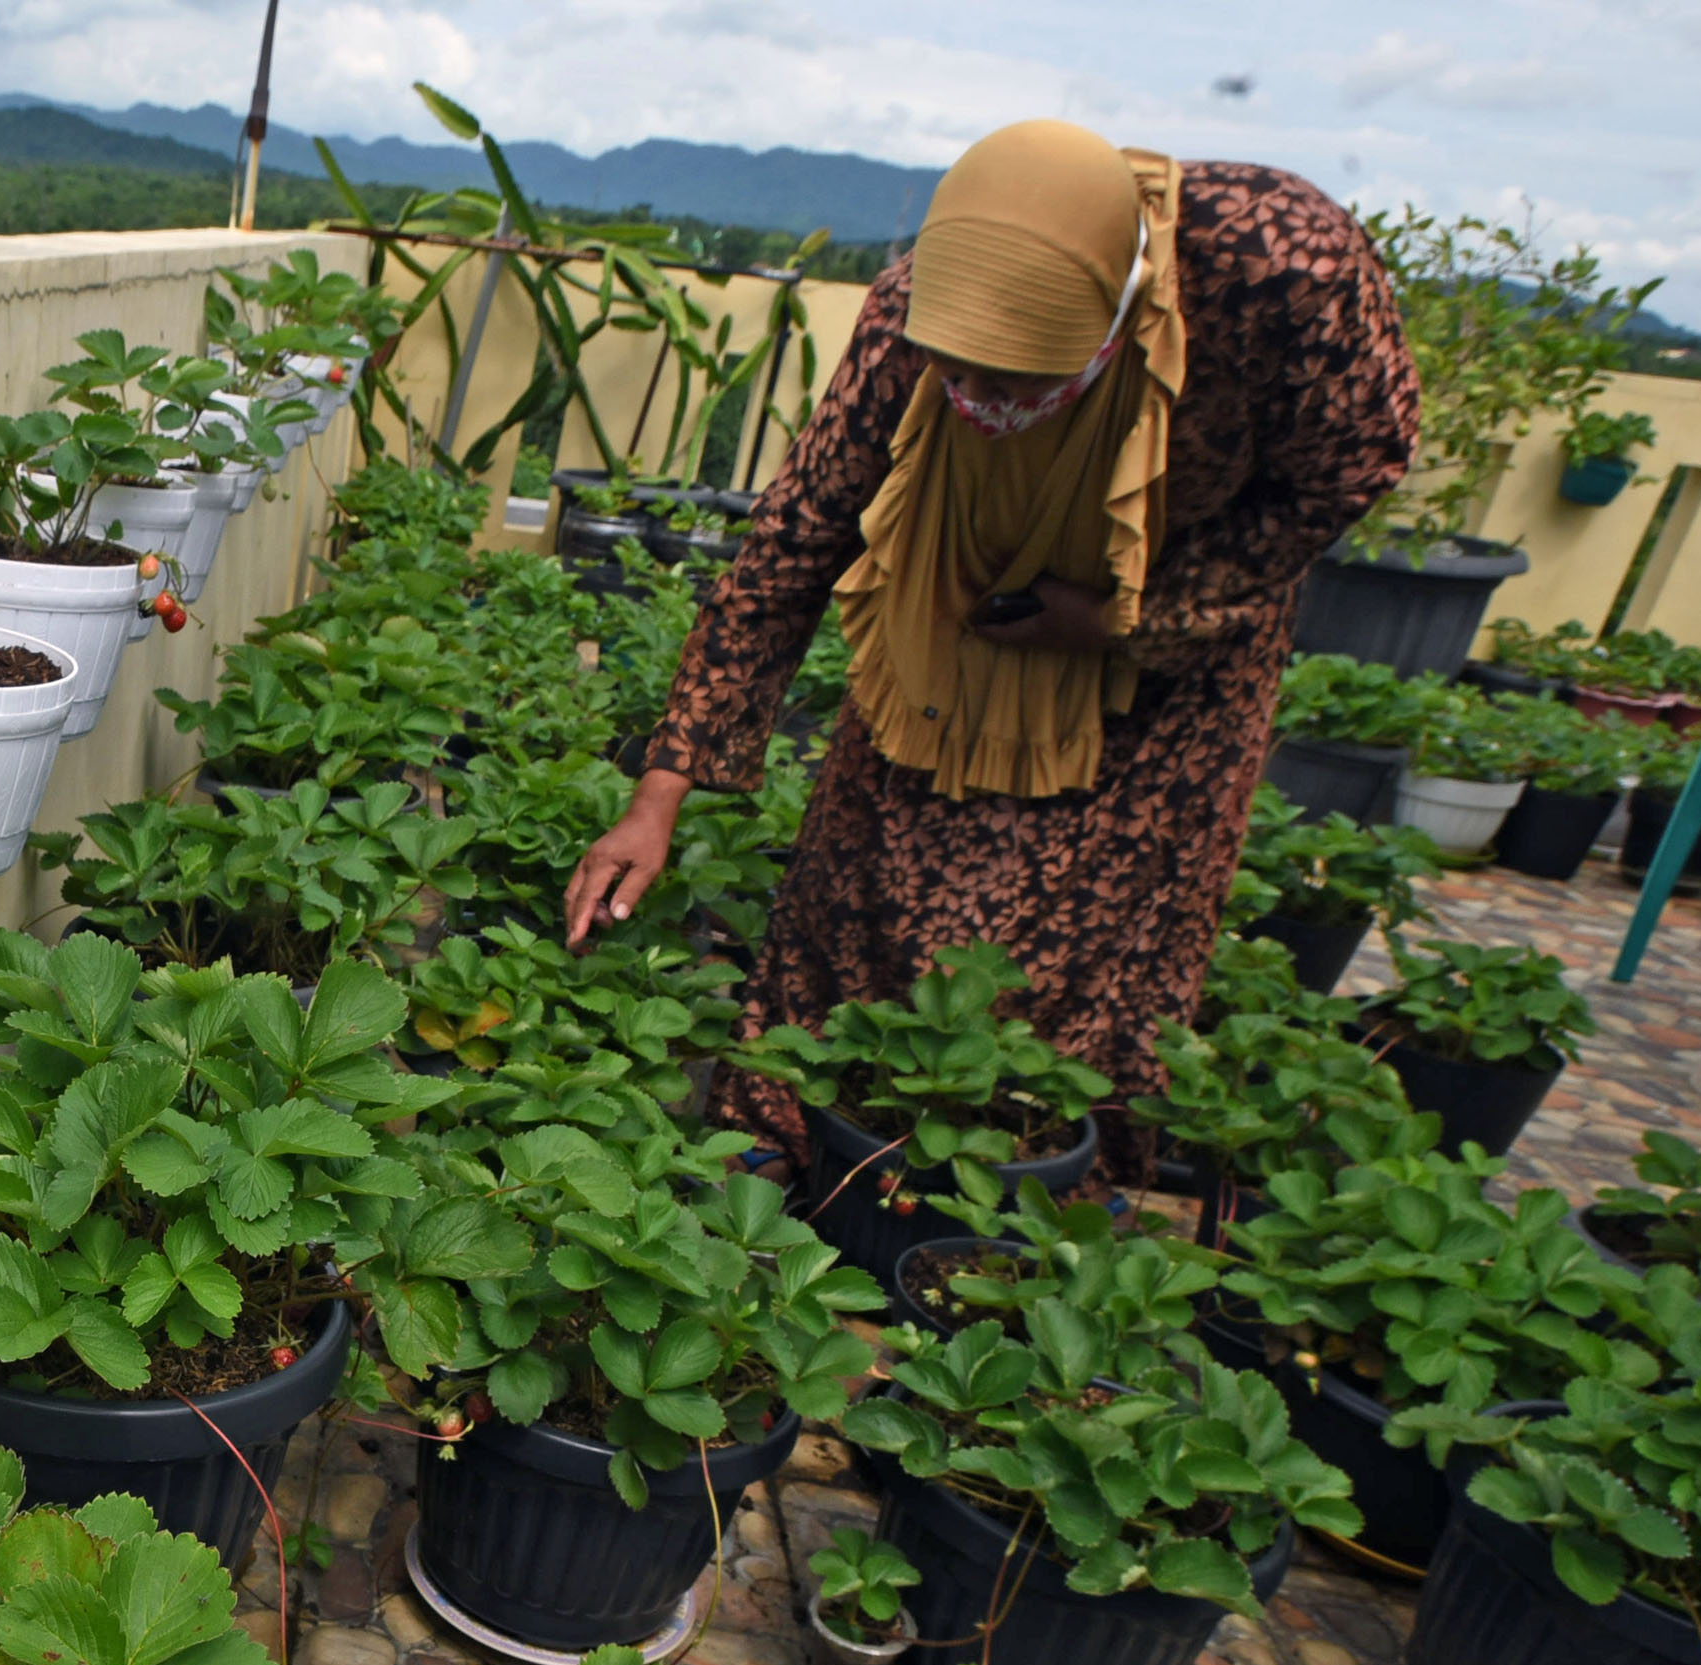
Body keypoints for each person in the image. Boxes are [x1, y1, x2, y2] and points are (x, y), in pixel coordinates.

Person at [561, 120, 1419, 1180]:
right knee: (863, 896)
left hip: (1158, 666)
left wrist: (1132, 616)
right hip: (951, 614)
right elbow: (796, 534)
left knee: (1086, 949)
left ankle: (1021, 1209)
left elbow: (1354, 464)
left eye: (1019, 386)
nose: (985, 409)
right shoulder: (908, 312)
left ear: (1116, 320)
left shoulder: (1280, 273)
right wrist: (660, 791)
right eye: (960, 379)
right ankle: (799, 1160)